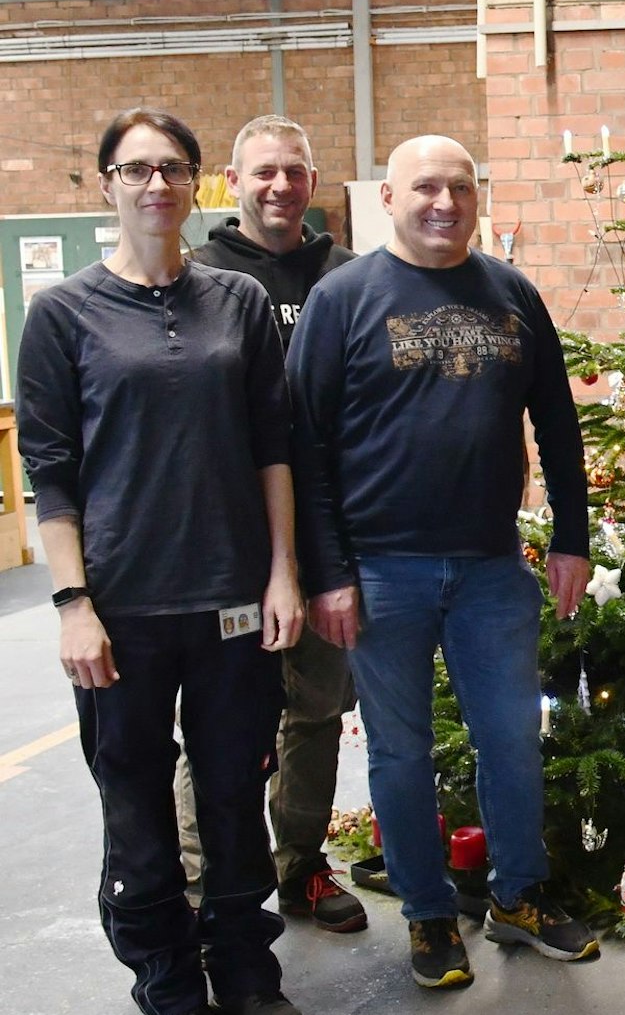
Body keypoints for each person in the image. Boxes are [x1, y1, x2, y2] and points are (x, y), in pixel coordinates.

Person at [288, 135, 595, 988]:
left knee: (512, 744)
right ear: (388, 196)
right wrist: (329, 571)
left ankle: (518, 896)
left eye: (461, 187)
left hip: (493, 568)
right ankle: (427, 915)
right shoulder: (341, 299)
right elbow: (305, 448)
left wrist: (572, 534)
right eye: (426, 186)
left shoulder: (513, 294)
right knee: (399, 754)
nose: (445, 203)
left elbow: (559, 427)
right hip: (382, 572)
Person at [18, 107, 305, 1015]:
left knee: (232, 792)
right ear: (105, 184)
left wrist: (282, 571)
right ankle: (166, 974)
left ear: (196, 184)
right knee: (138, 808)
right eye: (135, 169)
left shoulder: (240, 304)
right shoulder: (61, 313)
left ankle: (246, 966)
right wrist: (72, 603)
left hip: (231, 602)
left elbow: (274, 448)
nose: (155, 185)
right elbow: (51, 473)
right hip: (121, 607)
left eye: (173, 168)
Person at [175, 115, 364, 934]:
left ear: (313, 184)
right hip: (227, 543)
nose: (280, 186)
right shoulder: (199, 277)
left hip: (328, 536)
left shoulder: (352, 277)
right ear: (233, 180)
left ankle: (303, 866)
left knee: (316, 710)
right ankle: (202, 884)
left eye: (294, 171)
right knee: (219, 720)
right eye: (263, 172)